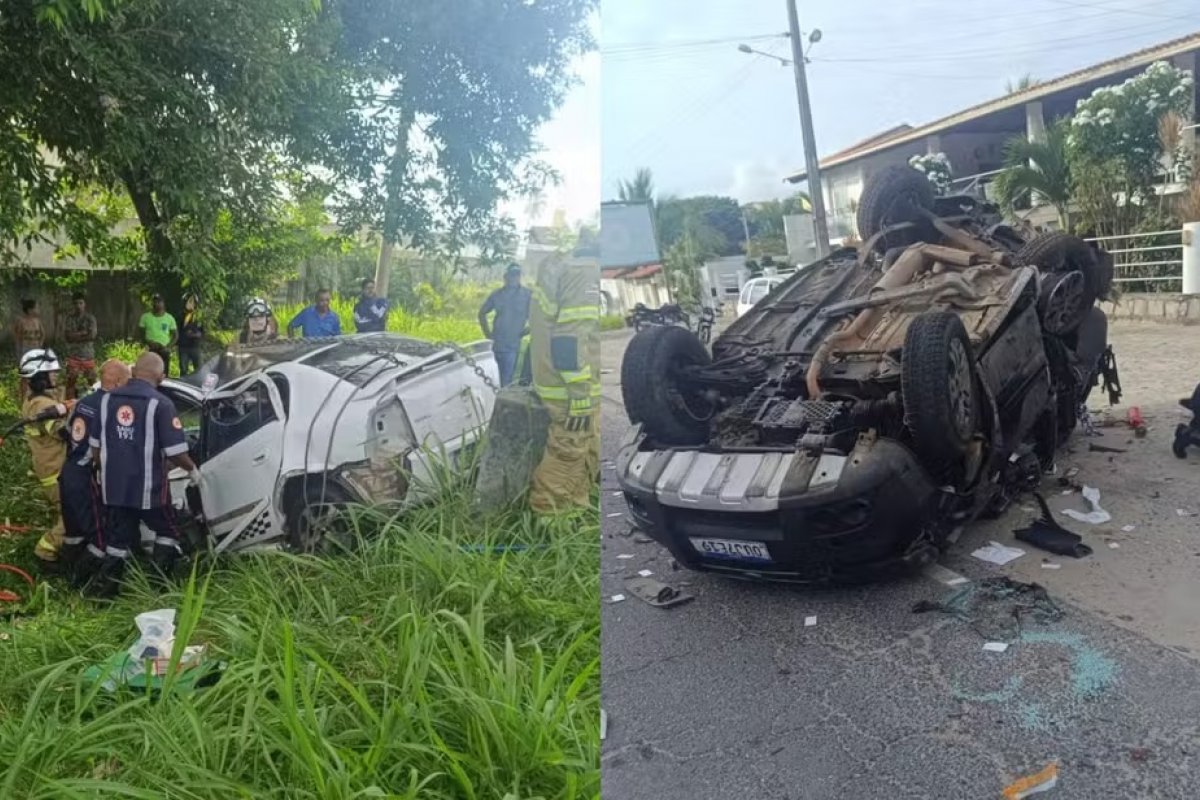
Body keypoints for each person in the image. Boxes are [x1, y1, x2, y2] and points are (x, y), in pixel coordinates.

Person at [87, 352, 201, 599]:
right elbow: (175, 452)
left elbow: (95, 446)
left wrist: (103, 470)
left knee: (118, 540)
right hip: (149, 489)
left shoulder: (106, 401)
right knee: (168, 531)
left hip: (115, 488)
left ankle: (105, 594)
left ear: (134, 371)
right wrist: (193, 470)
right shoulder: (161, 404)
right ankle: (158, 586)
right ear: (161, 376)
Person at [527, 250, 600, 513]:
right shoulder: (584, 272)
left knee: (584, 451)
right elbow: (570, 339)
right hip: (571, 390)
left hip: (557, 380)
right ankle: (549, 520)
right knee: (569, 450)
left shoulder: (563, 264)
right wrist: (580, 395)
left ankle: (573, 512)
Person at [59, 358, 130, 586]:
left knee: (74, 531)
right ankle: (86, 583)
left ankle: (66, 574)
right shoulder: (111, 406)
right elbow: (108, 446)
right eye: (127, 381)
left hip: (68, 471)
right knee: (99, 534)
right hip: (86, 475)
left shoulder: (84, 402)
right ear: (117, 382)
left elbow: (67, 431)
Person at [18, 349, 70, 566]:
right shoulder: (42, 406)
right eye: (51, 372)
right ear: (40, 376)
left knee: (65, 509)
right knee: (73, 516)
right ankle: (45, 550)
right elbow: (63, 432)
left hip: (48, 467)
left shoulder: (33, 400)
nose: (56, 375)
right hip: (56, 470)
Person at [478, 264, 532, 386]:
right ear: (505, 276)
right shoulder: (497, 294)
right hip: (496, 343)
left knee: (506, 380)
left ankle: (502, 397)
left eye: (517, 275)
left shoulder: (527, 295)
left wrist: (527, 330)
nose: (514, 278)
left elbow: (536, 316)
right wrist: (488, 335)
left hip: (512, 345)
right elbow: (481, 313)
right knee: (491, 378)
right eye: (511, 275)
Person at [63, 292, 99, 399]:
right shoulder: (70, 318)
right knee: (71, 381)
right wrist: (83, 333)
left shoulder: (90, 318)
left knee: (93, 382)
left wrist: (75, 336)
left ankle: (95, 402)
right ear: (73, 305)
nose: (78, 306)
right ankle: (69, 404)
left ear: (84, 304)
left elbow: (92, 336)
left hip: (88, 355)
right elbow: (68, 337)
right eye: (76, 303)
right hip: (73, 355)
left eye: (80, 303)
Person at [138, 293, 178, 375]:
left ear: (163, 303)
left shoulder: (169, 318)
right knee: (150, 373)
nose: (156, 304)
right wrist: (147, 342)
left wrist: (168, 347)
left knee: (164, 374)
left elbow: (175, 335)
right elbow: (140, 333)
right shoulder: (145, 317)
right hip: (151, 349)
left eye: (159, 302)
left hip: (164, 349)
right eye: (155, 302)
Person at [13, 298, 45, 398]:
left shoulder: (38, 321)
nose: (38, 309)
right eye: (37, 307)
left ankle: (34, 398)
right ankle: (24, 400)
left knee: (36, 376)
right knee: (25, 377)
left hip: (36, 351)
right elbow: (17, 338)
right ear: (30, 310)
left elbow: (43, 334)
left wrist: (39, 346)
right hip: (25, 351)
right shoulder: (21, 321)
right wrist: (19, 355)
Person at [178, 293, 204, 375]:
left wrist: (194, 335)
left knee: (199, 369)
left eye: (192, 302)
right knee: (183, 370)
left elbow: (202, 332)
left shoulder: (198, 316)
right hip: (183, 347)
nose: (190, 304)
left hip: (195, 347)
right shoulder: (181, 315)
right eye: (189, 301)